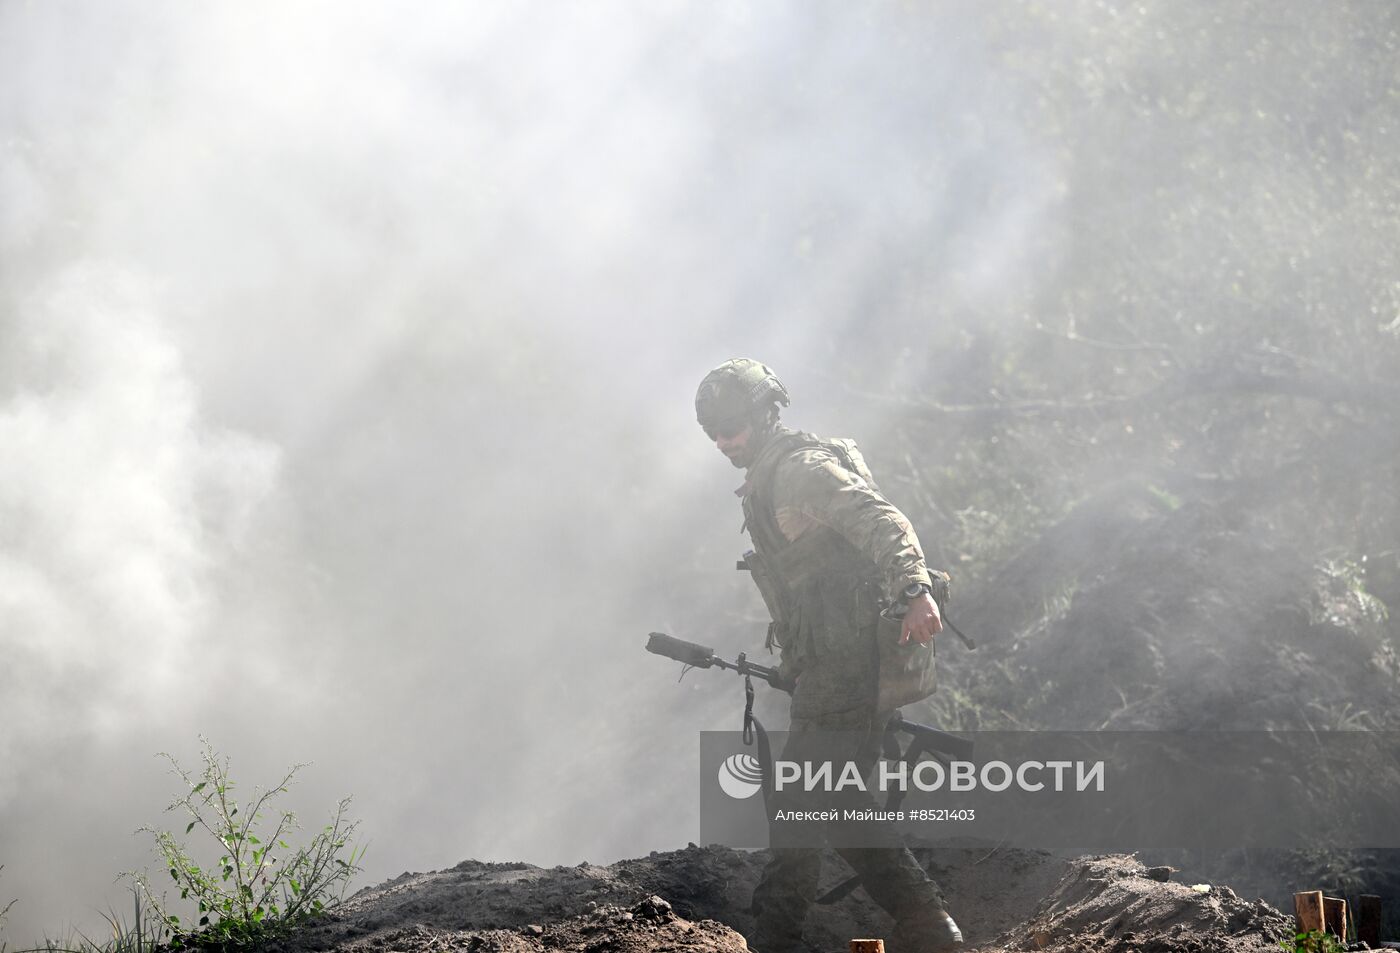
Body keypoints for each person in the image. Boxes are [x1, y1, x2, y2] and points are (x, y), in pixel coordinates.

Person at [695, 358, 963, 953]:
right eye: (712, 431)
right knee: (833, 798)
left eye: (733, 427)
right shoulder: (772, 472)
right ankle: (926, 922)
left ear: (766, 414)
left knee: (801, 798)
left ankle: (775, 940)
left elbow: (883, 521)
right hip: (837, 663)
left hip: (848, 666)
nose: (723, 441)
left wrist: (914, 589)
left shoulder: (798, 470)